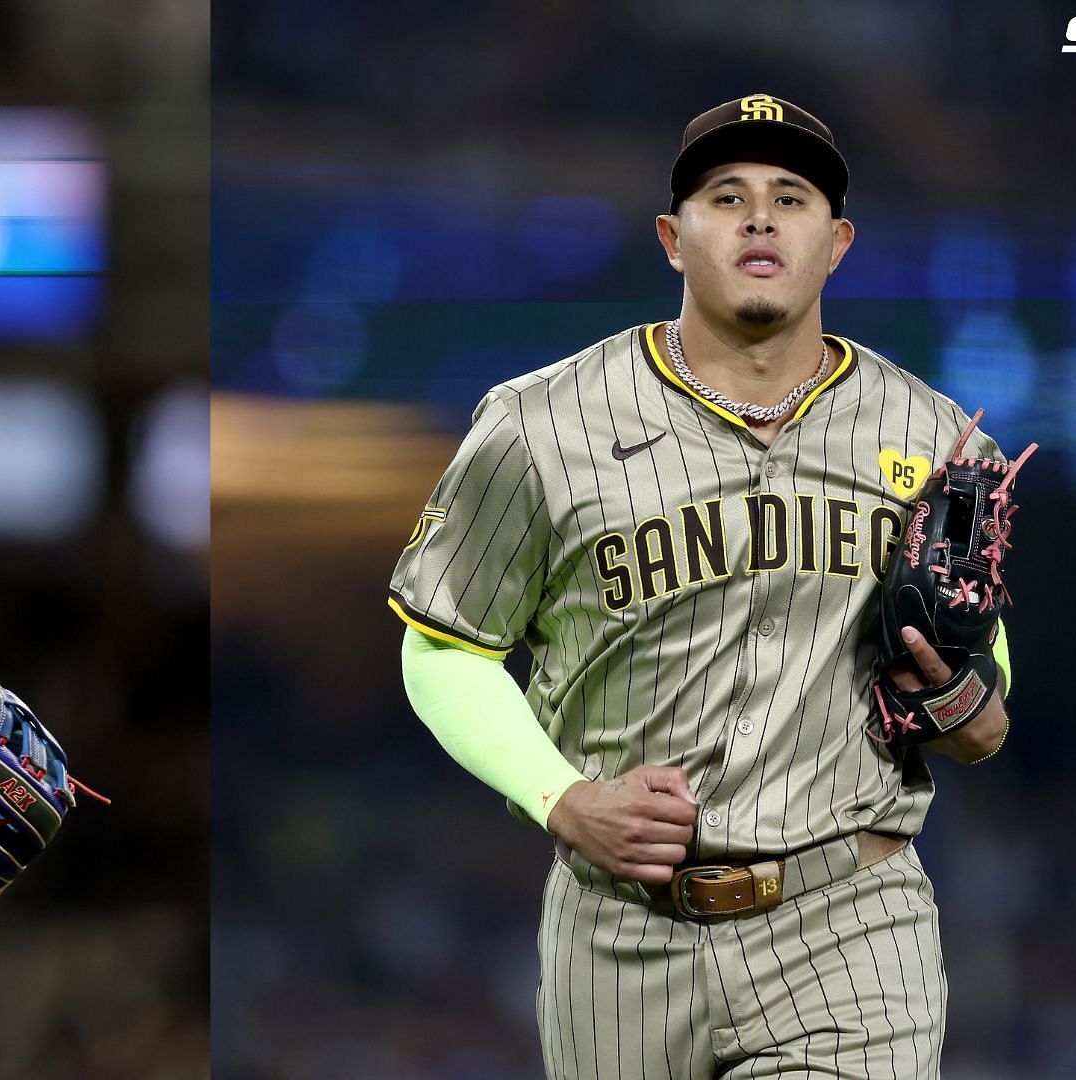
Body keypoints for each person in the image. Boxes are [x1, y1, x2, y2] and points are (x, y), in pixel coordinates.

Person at [388, 94, 1015, 1078]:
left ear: (837, 241)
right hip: (618, 936)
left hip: (846, 917)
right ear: (673, 239)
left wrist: (966, 704)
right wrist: (562, 799)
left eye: (791, 197)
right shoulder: (540, 424)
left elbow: (983, 684)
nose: (760, 216)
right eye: (727, 196)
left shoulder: (933, 434)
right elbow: (443, 651)